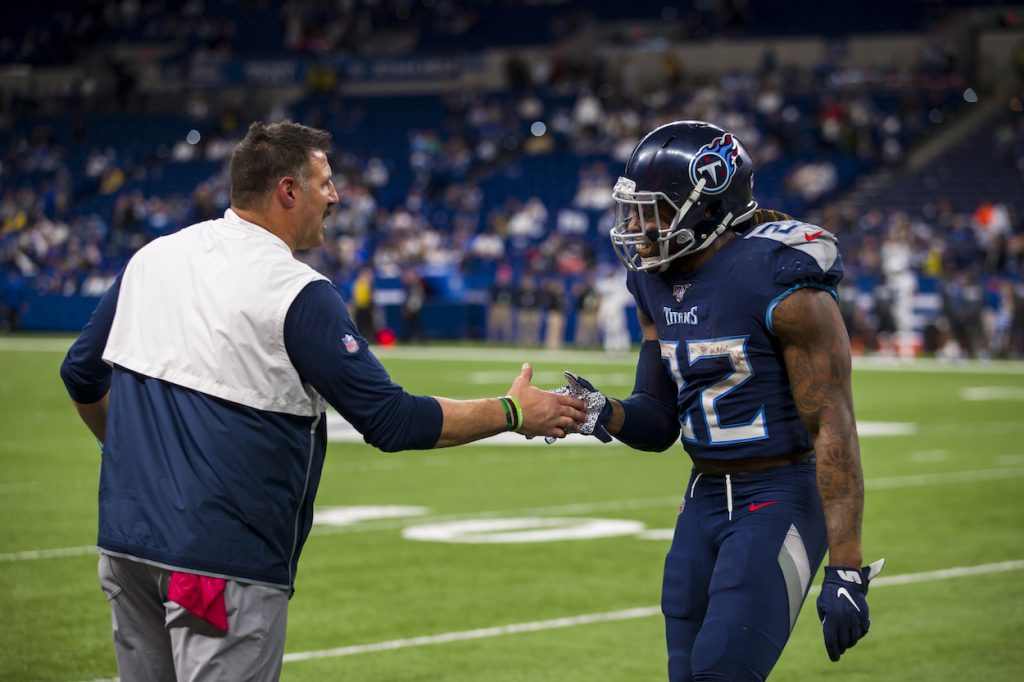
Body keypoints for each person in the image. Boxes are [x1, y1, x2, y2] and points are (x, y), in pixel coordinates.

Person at [58, 121, 586, 682]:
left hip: (125, 545)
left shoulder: (154, 258)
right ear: (288, 190)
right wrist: (512, 412)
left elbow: (80, 373)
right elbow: (391, 419)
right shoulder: (295, 291)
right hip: (217, 561)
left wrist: (134, 459)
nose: (335, 197)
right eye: (325, 182)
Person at [557, 121, 882, 680]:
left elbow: (832, 425)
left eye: (650, 211)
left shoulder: (781, 280)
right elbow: (658, 421)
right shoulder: (651, 282)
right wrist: (597, 411)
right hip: (703, 497)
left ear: (704, 207)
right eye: (631, 210)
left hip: (777, 493)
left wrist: (847, 568)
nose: (633, 226)